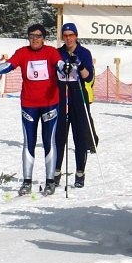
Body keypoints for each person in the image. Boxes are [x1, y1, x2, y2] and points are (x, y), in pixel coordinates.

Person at [0, 23, 62, 196]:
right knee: (29, 142)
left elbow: (60, 63)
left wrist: (64, 66)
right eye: (31, 36)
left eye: (38, 36)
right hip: (29, 105)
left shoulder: (51, 52)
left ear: (44, 38)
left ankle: (50, 181)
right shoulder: (23, 52)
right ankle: (27, 181)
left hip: (49, 103)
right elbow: (8, 66)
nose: (35, 39)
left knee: (49, 141)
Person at [54, 23, 96, 189]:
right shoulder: (58, 53)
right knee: (59, 137)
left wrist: (80, 64)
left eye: (71, 35)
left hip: (79, 98)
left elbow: (88, 77)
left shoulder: (84, 53)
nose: (68, 38)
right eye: (65, 35)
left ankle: (80, 173)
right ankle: (56, 171)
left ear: (76, 36)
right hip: (62, 98)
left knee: (80, 138)